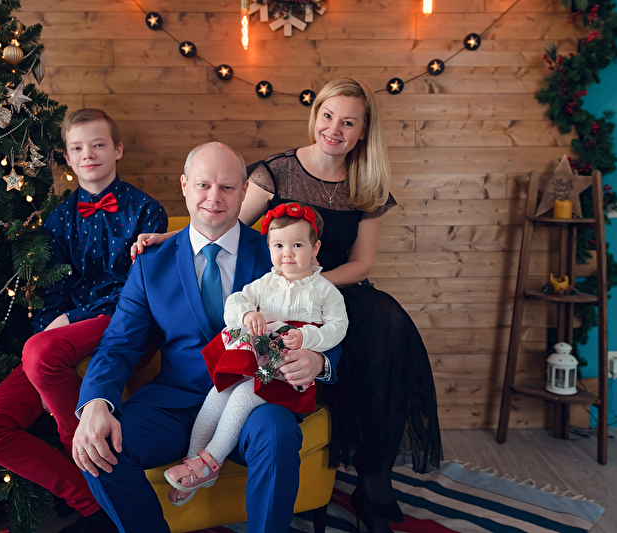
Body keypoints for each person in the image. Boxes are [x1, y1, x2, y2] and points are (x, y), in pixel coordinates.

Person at [132, 77, 443, 533]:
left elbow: (361, 263)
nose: (334, 129)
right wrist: (170, 239)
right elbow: (220, 221)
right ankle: (209, 455)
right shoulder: (278, 171)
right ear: (315, 115)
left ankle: (374, 478)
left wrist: (311, 287)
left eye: (349, 122)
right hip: (276, 290)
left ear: (362, 132)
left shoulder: (367, 182)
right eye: (328, 116)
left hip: (332, 287)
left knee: (387, 321)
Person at [72, 142, 341, 533]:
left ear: (245, 190)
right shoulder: (151, 263)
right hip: (174, 402)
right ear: (184, 186)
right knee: (97, 448)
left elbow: (324, 319)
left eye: (227, 187)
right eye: (203, 185)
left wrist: (319, 361)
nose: (214, 197)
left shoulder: (278, 252)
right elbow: (119, 344)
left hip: (256, 397)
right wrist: (96, 402)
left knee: (278, 433)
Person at [0, 108, 167, 533]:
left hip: (126, 323)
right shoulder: (57, 219)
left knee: (42, 351)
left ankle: (90, 463)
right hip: (62, 338)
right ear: (68, 159)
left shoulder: (147, 211)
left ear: (118, 150)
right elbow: (51, 288)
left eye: (98, 144)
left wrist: (68, 321)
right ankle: (92, 503)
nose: (88, 154)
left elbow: (138, 289)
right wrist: (49, 339)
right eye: (77, 148)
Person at [163, 202, 348, 506]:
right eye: (278, 245)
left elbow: (338, 327)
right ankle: (193, 462)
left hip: (287, 372)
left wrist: (307, 336)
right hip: (259, 360)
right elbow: (236, 301)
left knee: (242, 395)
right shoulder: (266, 283)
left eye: (297, 245)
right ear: (269, 247)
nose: (287, 253)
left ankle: (210, 463)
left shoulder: (325, 290)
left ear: (315, 248)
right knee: (218, 392)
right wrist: (247, 313)